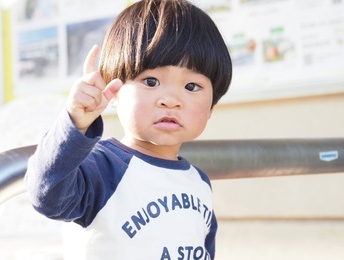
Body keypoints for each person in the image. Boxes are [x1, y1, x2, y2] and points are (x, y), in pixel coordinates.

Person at [25, 0, 232, 259]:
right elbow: (47, 194)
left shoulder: (199, 183)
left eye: (192, 87)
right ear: (114, 92)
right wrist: (75, 122)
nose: (171, 99)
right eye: (151, 81)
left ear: (212, 105)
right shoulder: (103, 167)